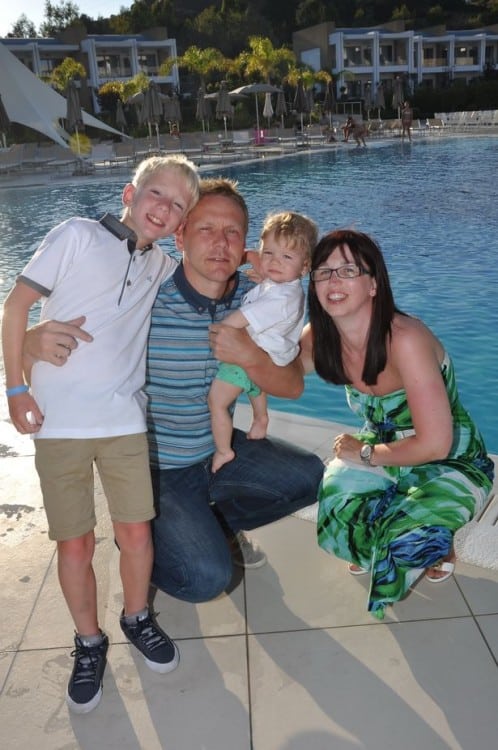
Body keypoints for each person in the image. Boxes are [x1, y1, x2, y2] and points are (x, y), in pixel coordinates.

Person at [22, 178, 325, 609]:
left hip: (216, 450)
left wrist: (251, 355)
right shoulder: (146, 296)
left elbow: (292, 383)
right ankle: (145, 546)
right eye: (205, 229)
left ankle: (209, 525)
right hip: (157, 470)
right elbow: (67, 326)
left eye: (232, 232)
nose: (220, 243)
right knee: (207, 578)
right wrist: (28, 343)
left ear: (246, 244)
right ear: (179, 235)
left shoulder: (258, 297)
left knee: (310, 477)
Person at [2, 155, 200, 713]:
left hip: (123, 423)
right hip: (59, 423)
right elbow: (15, 305)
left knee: (136, 534)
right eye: (155, 193)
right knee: (76, 542)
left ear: (180, 222)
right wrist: (16, 386)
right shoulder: (76, 235)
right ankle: (88, 642)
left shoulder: (160, 266)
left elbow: (212, 273)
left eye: (177, 205)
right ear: (128, 194)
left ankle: (136, 617)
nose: (163, 207)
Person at [300, 228, 494, 620]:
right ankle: (382, 532)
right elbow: (280, 376)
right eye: (324, 271)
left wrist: (366, 453)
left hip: (448, 456)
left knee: (408, 541)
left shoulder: (404, 338)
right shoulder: (319, 337)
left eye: (348, 270)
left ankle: (439, 541)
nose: (334, 280)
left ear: (373, 285)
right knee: (338, 504)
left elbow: (435, 444)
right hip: (385, 449)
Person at [208, 211, 317, 473]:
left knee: (217, 402)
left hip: (255, 354)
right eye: (268, 253)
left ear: (305, 267)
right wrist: (263, 276)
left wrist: (220, 330)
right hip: (269, 354)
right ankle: (260, 417)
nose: (274, 262)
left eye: (286, 257)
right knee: (255, 385)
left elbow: (242, 318)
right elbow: (269, 287)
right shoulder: (283, 287)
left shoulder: (279, 298)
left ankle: (223, 450)